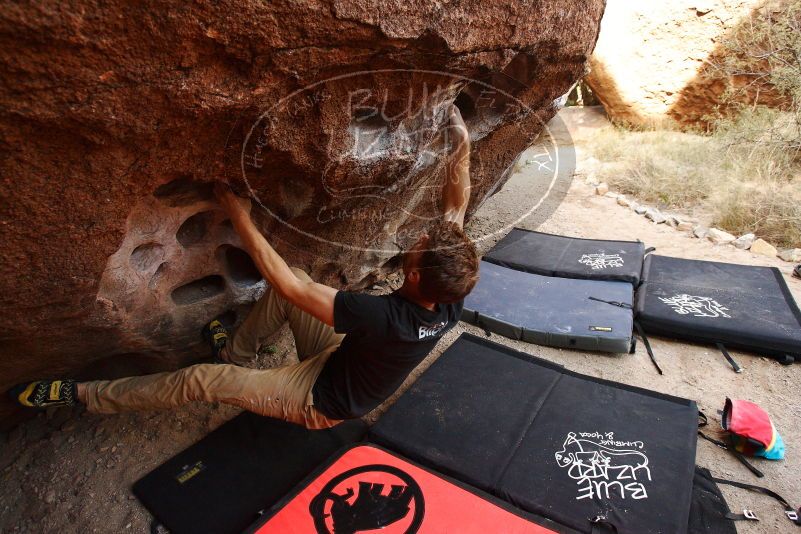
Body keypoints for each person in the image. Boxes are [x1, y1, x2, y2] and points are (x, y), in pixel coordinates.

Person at [10, 105, 479, 429]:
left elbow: (278, 278)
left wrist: (239, 214)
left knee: (201, 381)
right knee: (297, 283)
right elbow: (455, 208)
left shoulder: (385, 318)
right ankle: (235, 352)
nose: (418, 238)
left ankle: (83, 395)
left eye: (418, 247)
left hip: (320, 399)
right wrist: (461, 141)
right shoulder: (449, 292)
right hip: (345, 359)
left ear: (415, 276)